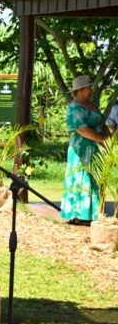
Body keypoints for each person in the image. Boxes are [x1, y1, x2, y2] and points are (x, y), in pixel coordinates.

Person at [60, 75, 107, 226]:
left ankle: (93, 214)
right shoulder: (74, 108)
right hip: (81, 149)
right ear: (80, 90)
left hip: (96, 149)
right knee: (82, 178)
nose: (91, 90)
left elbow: (101, 123)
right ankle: (79, 215)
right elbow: (82, 129)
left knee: (95, 178)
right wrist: (102, 139)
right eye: (89, 88)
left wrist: (109, 140)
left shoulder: (92, 105)